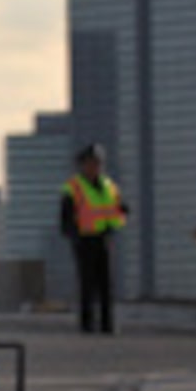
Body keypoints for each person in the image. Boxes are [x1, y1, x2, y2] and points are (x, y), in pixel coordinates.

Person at [58, 144, 127, 335]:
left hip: (103, 238)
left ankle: (107, 324)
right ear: (82, 165)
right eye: (91, 163)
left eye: (98, 163)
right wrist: (73, 235)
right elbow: (65, 217)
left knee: (106, 283)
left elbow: (115, 208)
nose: (95, 167)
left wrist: (122, 213)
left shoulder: (108, 186)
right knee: (87, 284)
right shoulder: (73, 188)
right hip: (84, 240)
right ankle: (87, 324)